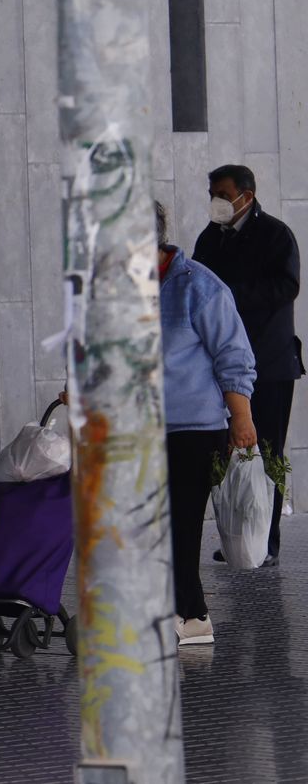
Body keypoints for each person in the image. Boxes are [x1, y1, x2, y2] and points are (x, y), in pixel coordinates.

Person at [154, 199, 257, 646]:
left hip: (192, 429)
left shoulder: (199, 286)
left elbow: (234, 357)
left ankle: (180, 612)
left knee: (178, 523)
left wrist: (242, 419)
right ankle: (193, 617)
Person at [193, 164, 303, 567]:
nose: (217, 202)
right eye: (213, 194)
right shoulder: (210, 238)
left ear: (246, 195)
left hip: (270, 365)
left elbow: (287, 285)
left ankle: (266, 542)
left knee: (267, 450)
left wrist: (230, 297)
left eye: (223, 194)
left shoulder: (275, 235)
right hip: (221, 366)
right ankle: (237, 536)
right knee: (228, 450)